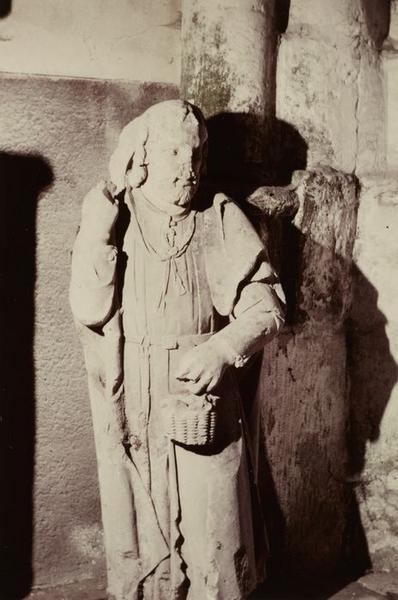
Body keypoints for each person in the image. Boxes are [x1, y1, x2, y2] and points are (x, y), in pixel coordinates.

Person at [70, 99, 285, 600]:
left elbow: (268, 308)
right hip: (137, 397)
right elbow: (89, 306)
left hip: (201, 396)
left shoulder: (218, 216)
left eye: (195, 155)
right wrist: (104, 202)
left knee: (215, 535)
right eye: (172, 154)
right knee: (145, 539)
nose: (188, 170)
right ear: (139, 160)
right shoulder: (115, 217)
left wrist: (222, 347)